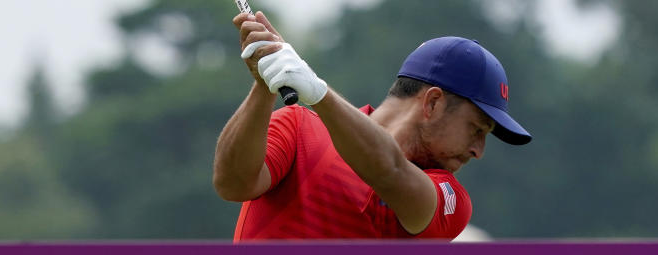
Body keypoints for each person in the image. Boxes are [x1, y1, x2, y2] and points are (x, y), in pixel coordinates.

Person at [213, 11, 532, 241]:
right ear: (433, 103)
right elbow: (232, 184)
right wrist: (264, 83)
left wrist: (319, 93)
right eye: (477, 129)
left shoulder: (450, 198)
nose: (478, 150)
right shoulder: (298, 127)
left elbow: (388, 170)